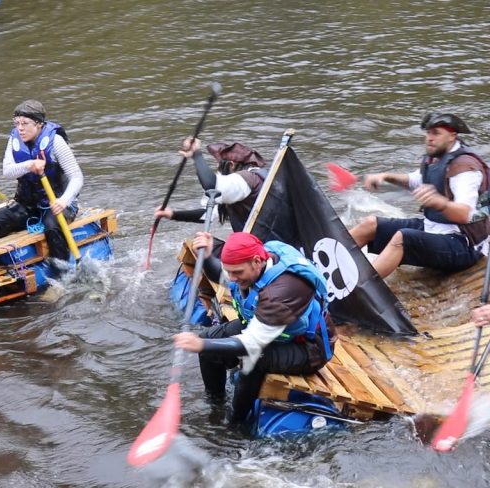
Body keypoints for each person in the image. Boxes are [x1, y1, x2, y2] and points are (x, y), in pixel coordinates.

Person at [173, 231, 335, 422]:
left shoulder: (284, 291)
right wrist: (208, 256)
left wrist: (200, 345)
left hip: (308, 349)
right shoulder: (253, 265)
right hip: (278, 332)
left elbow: (251, 343)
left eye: (237, 273)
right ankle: (215, 404)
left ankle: (236, 422)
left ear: (257, 261)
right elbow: (222, 275)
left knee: (252, 359)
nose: (232, 278)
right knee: (208, 338)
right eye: (230, 271)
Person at [349, 112, 489, 279]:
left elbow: (465, 213)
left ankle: (358, 289)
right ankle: (320, 265)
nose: (429, 138)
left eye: (436, 133)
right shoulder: (437, 157)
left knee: (403, 238)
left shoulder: (465, 168)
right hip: (435, 229)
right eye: (428, 132)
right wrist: (386, 176)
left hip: (464, 245)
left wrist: (441, 203)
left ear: (452, 136)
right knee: (370, 224)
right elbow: (415, 180)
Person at [0, 99, 83, 262]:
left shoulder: (55, 142)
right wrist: (29, 165)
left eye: (25, 123)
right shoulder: (15, 138)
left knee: (52, 227)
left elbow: (77, 177)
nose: (20, 128)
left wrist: (64, 201)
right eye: (17, 123)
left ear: (38, 124)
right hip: (26, 203)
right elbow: (7, 171)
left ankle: (62, 270)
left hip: (57, 203)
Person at [155, 138, 267, 232]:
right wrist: (173, 214)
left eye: (219, 164)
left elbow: (211, 184)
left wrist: (196, 154)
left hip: (261, 246)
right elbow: (207, 214)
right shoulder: (256, 177)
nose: (217, 167)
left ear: (231, 165)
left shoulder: (245, 180)